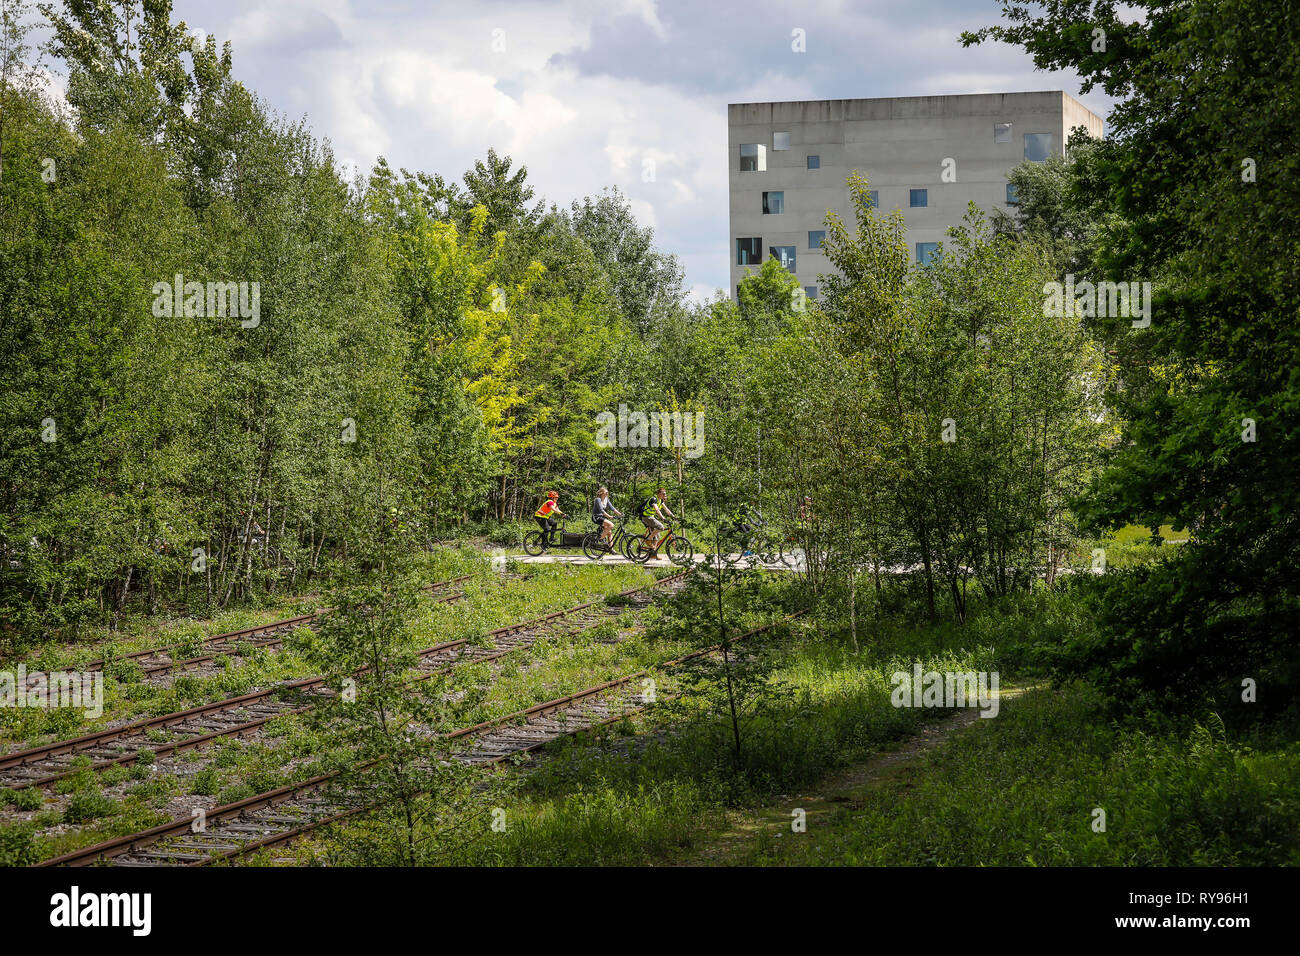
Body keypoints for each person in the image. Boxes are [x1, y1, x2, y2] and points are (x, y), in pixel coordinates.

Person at [640, 487, 676, 556]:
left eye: (665, 494)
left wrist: (674, 517)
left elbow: (667, 510)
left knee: (657, 536)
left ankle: (653, 554)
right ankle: (648, 539)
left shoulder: (660, 501)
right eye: (664, 494)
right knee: (661, 527)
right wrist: (663, 518)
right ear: (659, 494)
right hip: (646, 517)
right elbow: (657, 510)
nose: (665, 495)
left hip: (651, 517)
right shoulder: (654, 499)